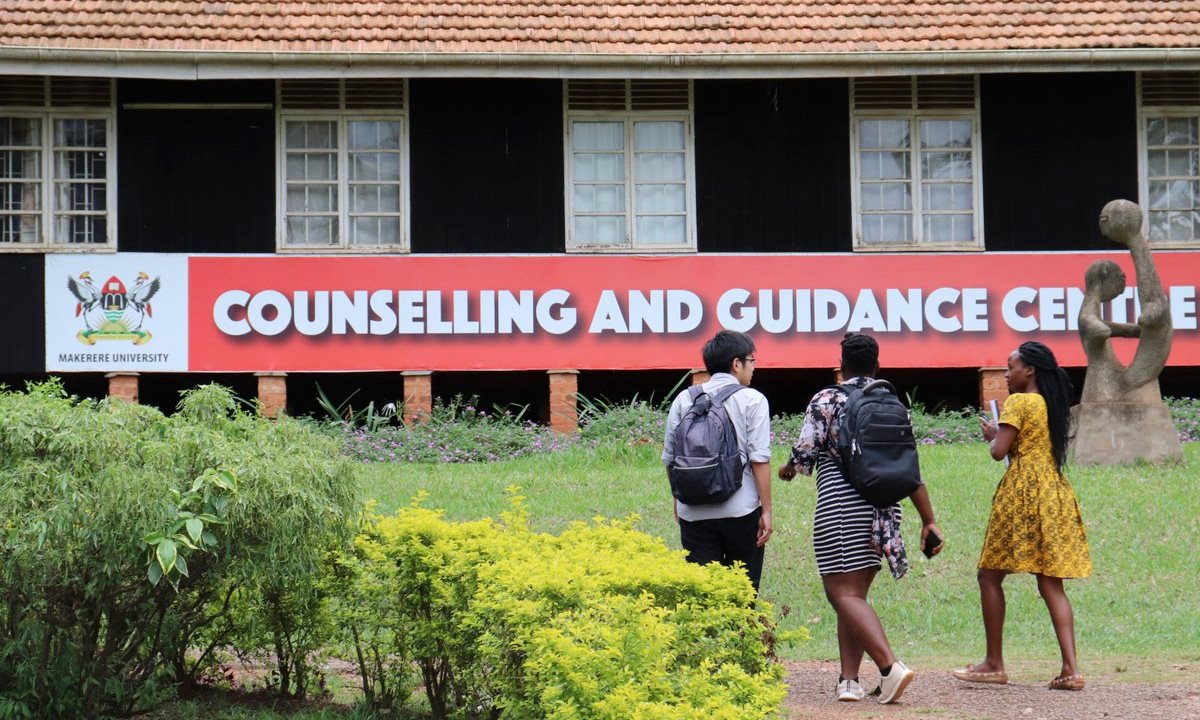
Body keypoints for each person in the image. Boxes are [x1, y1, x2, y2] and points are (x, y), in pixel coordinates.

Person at [779, 332, 942, 705]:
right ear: (877, 366)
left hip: (841, 504)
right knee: (854, 596)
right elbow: (909, 466)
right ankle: (848, 681)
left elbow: (805, 454)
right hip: (884, 508)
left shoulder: (827, 398)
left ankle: (889, 668)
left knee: (840, 593)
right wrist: (928, 520)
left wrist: (788, 469)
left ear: (842, 368)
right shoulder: (891, 401)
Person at [953, 341, 1092, 691]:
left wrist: (993, 436)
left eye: (1010, 366)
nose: (1006, 373)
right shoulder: (1049, 403)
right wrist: (1003, 436)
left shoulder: (1018, 402)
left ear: (1029, 370)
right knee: (1050, 582)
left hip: (1022, 493)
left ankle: (994, 663)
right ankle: (1071, 670)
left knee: (989, 576)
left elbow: (999, 452)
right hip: (1054, 491)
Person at [662, 329, 773, 594]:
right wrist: (766, 511)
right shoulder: (752, 399)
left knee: (703, 597)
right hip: (741, 511)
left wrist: (679, 498)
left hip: (693, 511)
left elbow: (670, 458)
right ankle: (739, 637)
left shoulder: (684, 399)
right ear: (737, 363)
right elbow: (759, 460)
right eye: (752, 360)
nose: (754, 368)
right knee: (742, 594)